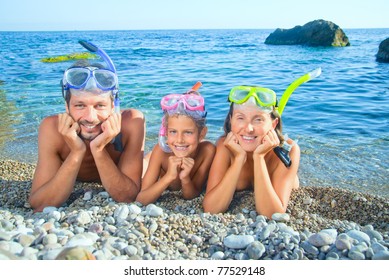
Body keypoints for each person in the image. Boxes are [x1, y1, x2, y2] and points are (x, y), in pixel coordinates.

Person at [29, 41, 145, 212]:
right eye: (80, 106)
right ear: (67, 107)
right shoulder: (51, 129)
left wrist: (98, 150)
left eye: (100, 106)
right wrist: (76, 151)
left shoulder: (131, 123)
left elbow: (127, 196)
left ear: (113, 106)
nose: (90, 118)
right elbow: (39, 204)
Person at [203, 85, 300, 218]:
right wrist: (238, 159)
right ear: (231, 120)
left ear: (273, 124)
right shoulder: (224, 146)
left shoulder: (289, 151)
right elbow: (211, 209)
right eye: (240, 118)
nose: (249, 128)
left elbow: (272, 214)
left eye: (258, 119)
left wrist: (259, 157)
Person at [136, 83, 215, 205]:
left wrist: (185, 178)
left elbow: (192, 195)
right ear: (165, 132)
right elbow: (142, 199)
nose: (179, 140)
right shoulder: (161, 152)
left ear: (202, 133)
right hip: (151, 160)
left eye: (188, 132)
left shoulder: (207, 151)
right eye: (173, 132)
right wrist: (169, 177)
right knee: (141, 167)